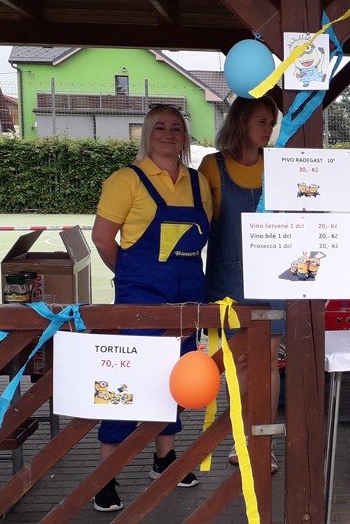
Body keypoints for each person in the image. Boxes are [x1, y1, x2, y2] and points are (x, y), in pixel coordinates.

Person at [90, 104, 210, 512]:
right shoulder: (125, 180)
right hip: (139, 300)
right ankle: (107, 475)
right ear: (147, 133)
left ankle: (164, 459)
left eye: (176, 127)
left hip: (187, 299)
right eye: (160, 127)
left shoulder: (198, 183)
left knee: (177, 378)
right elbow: (103, 239)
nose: (169, 134)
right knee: (128, 381)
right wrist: (131, 277)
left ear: (185, 137)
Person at [198, 95, 284, 474]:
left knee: (269, 363)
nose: (269, 129)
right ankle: (242, 438)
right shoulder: (211, 167)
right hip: (228, 278)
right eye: (262, 121)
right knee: (241, 364)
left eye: (272, 122)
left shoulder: (278, 166)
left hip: (273, 277)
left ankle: (264, 442)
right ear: (241, 122)